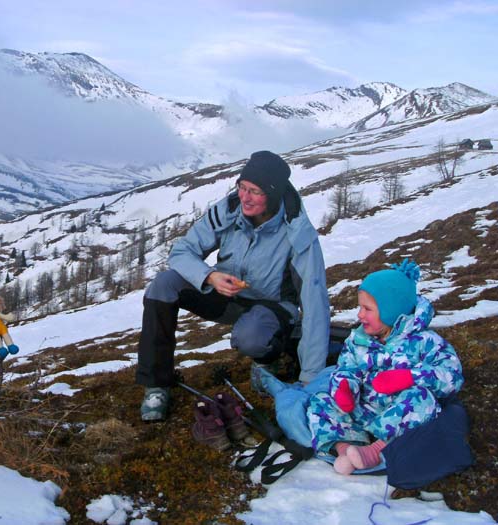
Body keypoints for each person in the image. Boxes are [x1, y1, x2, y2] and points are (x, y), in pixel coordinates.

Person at [136, 150, 330, 421]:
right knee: (164, 284)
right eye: (242, 187)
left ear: (272, 195)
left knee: (251, 336)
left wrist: (311, 378)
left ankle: (266, 361)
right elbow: (181, 251)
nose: (245, 197)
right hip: (226, 294)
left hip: (271, 307)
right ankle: (157, 384)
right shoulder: (228, 211)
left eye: (255, 191)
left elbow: (315, 301)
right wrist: (210, 277)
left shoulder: (298, 234)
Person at [306, 260, 464, 474]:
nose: (360, 315)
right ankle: (344, 448)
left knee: (421, 399)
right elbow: (345, 368)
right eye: (360, 307)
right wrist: (344, 387)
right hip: (364, 409)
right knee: (320, 401)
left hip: (398, 413)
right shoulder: (358, 341)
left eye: (367, 309)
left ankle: (377, 450)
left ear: (391, 311)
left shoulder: (424, 341)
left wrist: (410, 377)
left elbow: (451, 376)